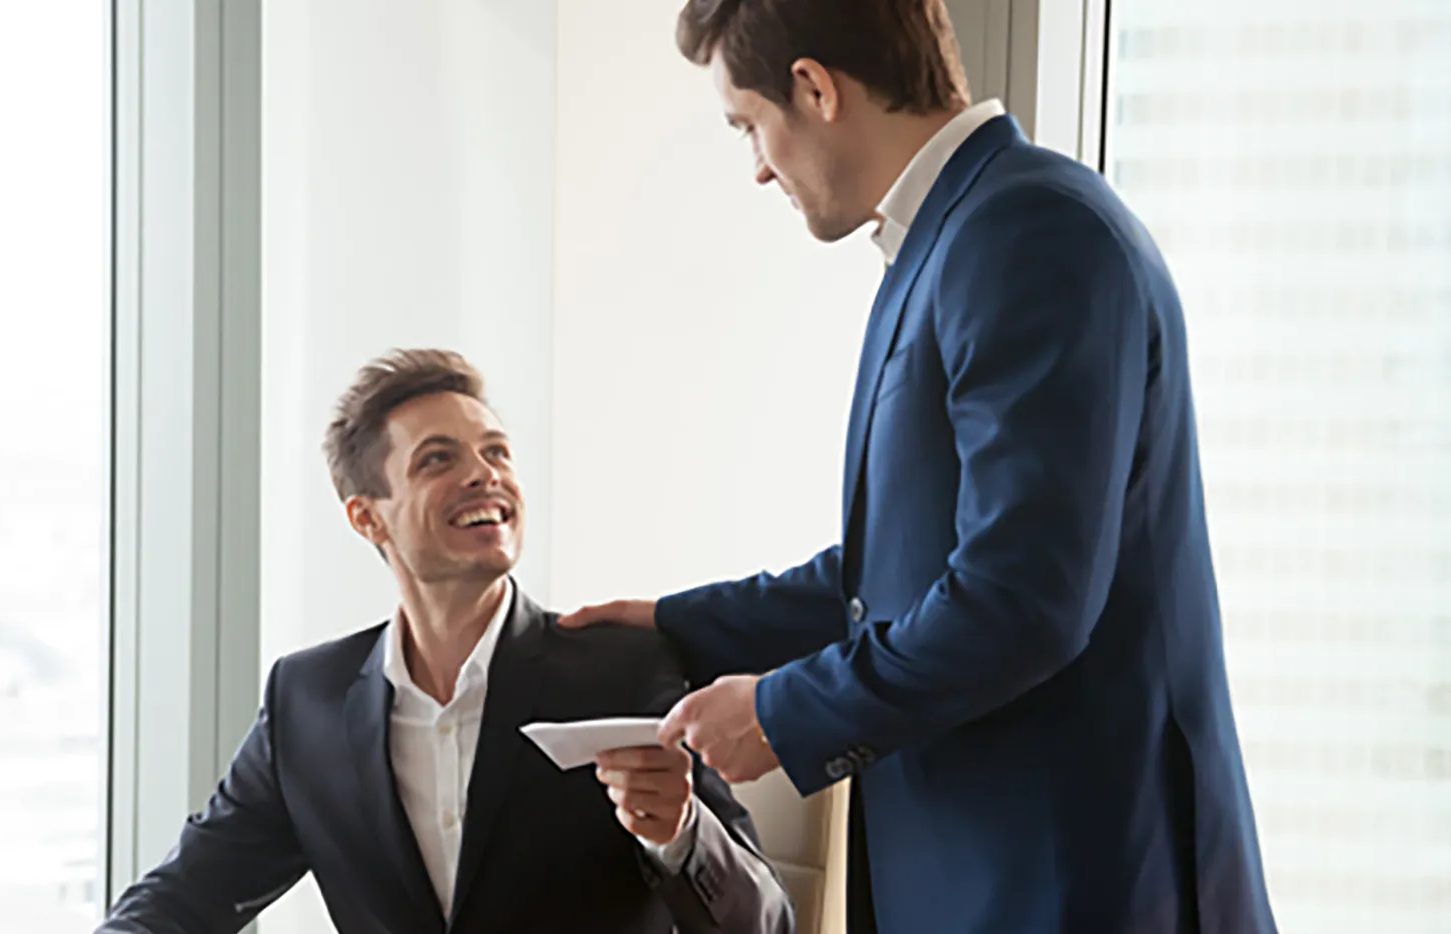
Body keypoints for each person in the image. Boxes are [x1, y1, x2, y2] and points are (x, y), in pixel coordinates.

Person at [562, 2, 1277, 932]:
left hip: (1071, 882)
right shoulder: (958, 238)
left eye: (751, 127)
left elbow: (1020, 602)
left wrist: (779, 713)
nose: (759, 167)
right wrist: (675, 624)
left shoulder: (1029, 234)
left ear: (815, 88)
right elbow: (897, 575)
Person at [98, 349, 792, 934]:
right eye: (438, 459)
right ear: (368, 519)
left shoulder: (627, 669)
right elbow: (185, 898)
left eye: (496, 452)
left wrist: (678, 832)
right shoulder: (306, 701)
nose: (485, 473)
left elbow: (768, 924)